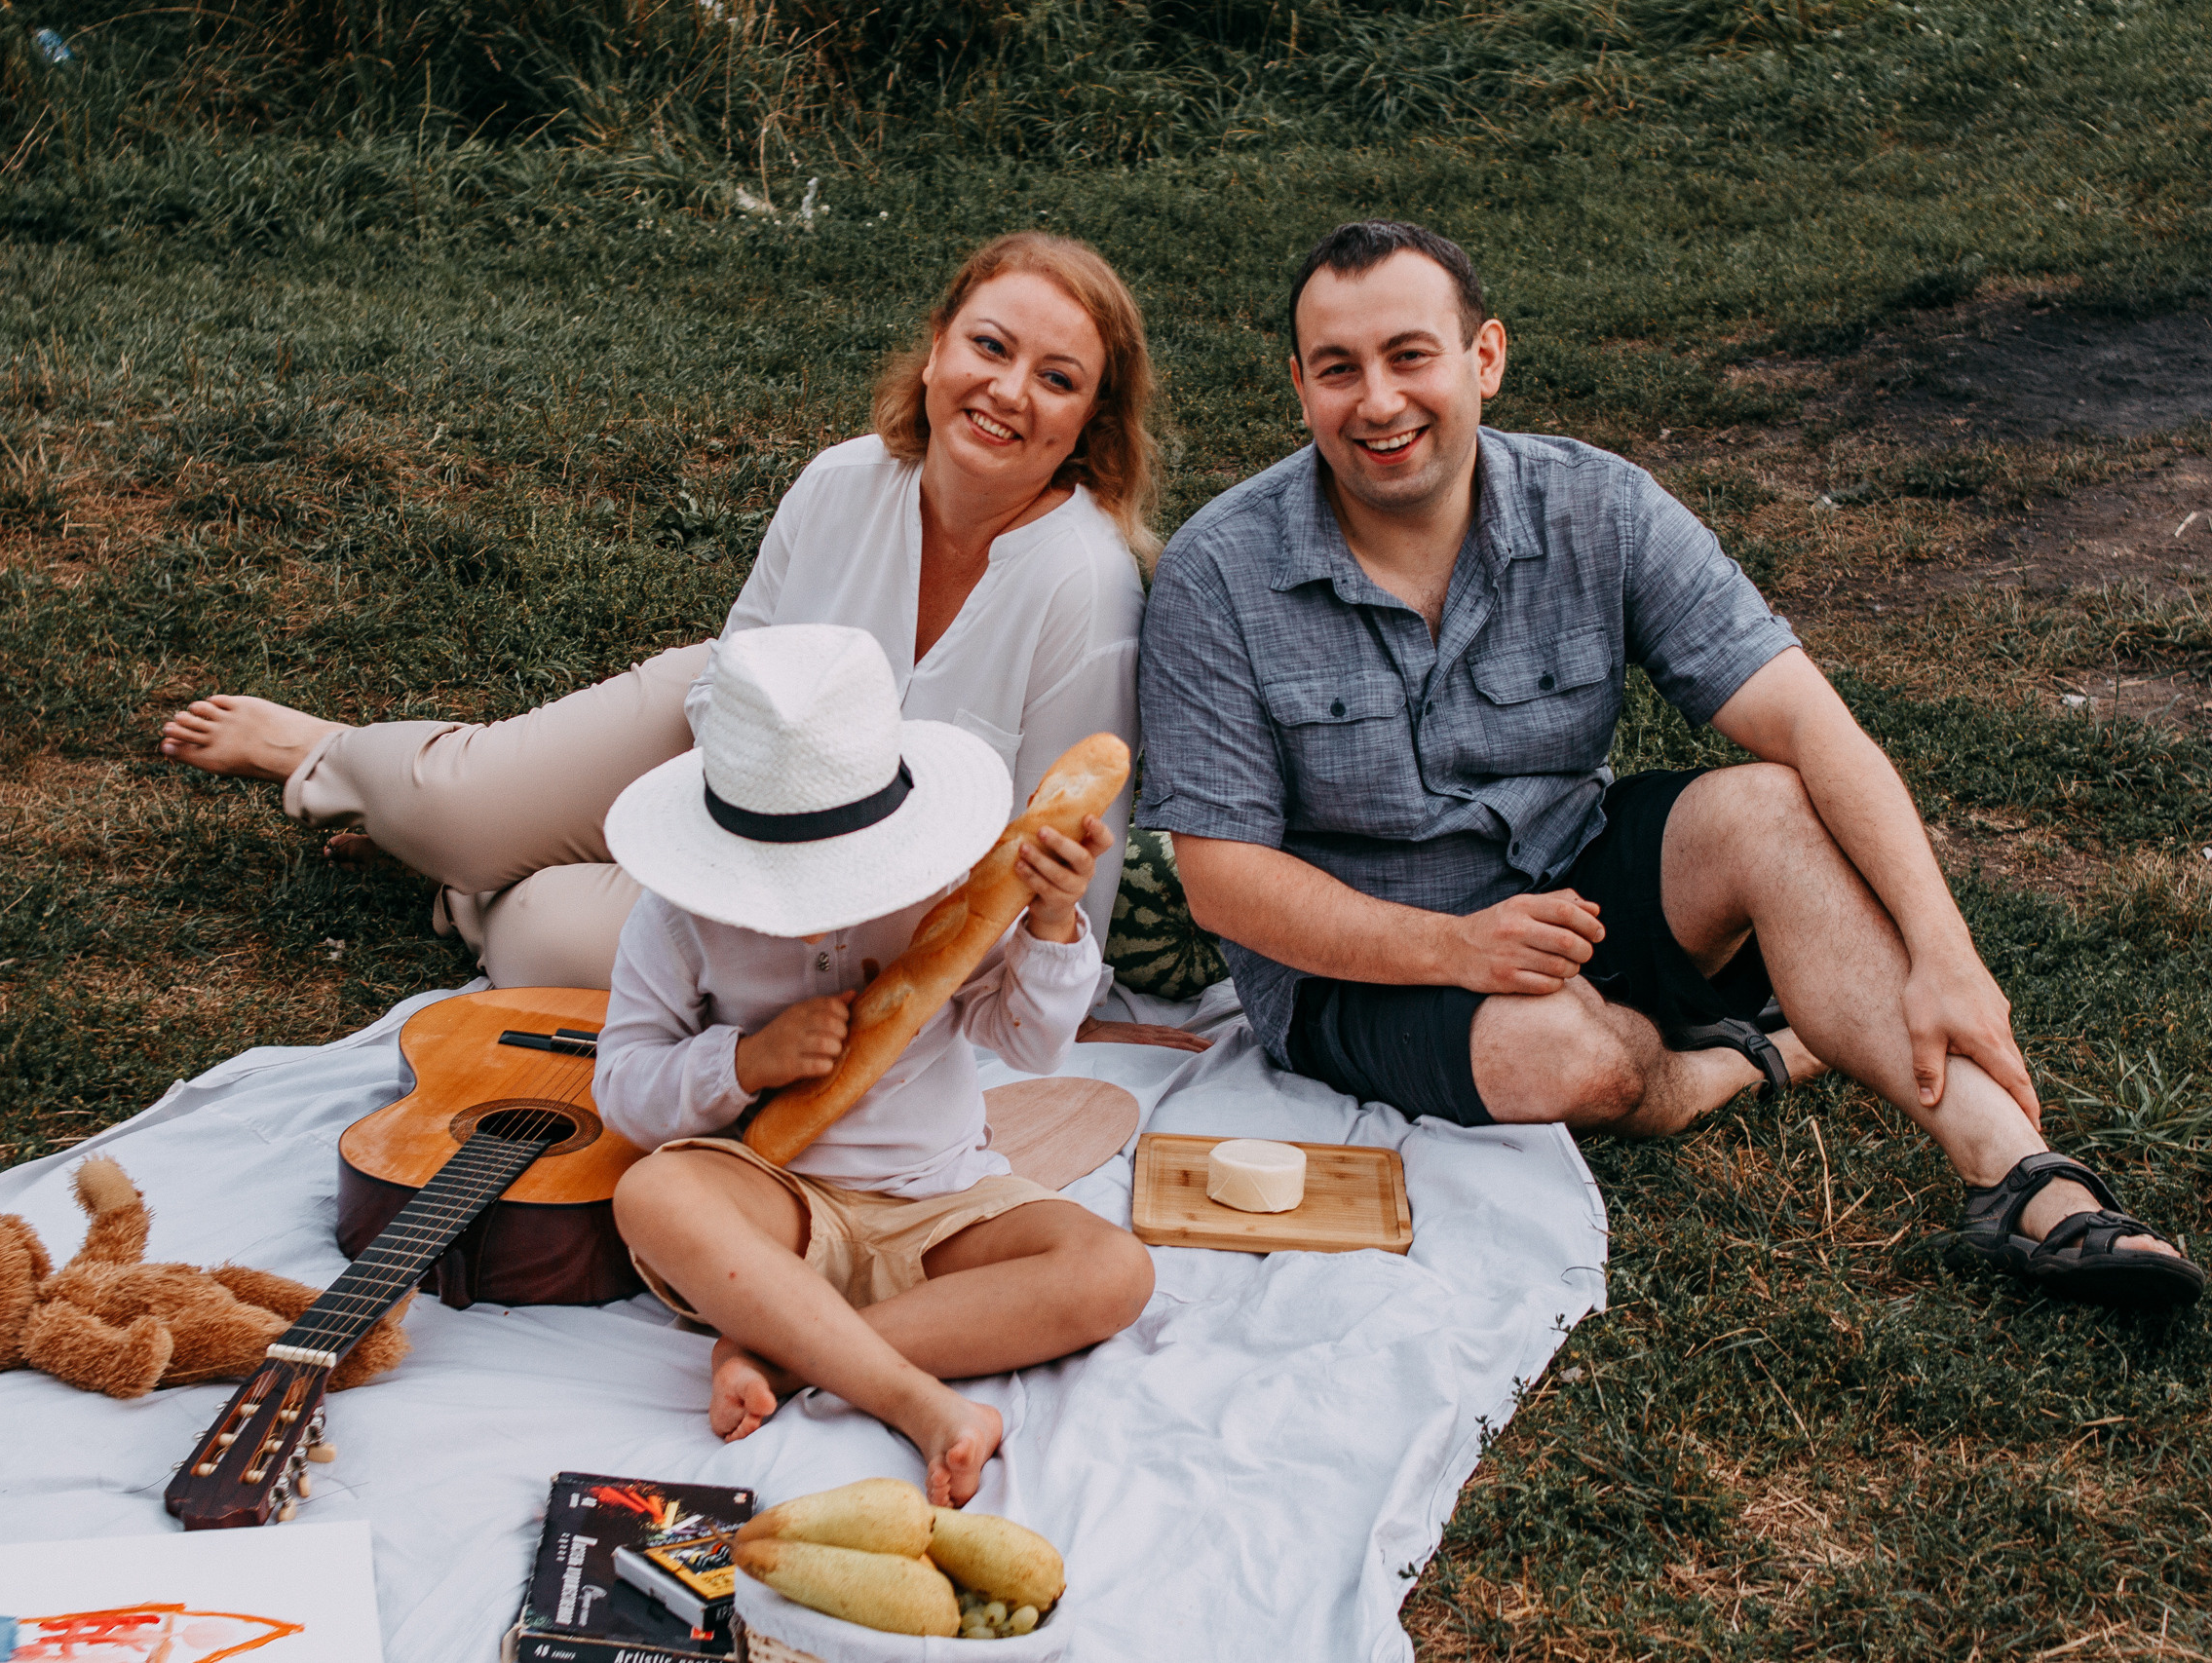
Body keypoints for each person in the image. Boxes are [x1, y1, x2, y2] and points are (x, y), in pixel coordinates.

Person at [1137, 219, 2203, 1310]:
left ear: (1484, 358)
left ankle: (2027, 1179)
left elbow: (1811, 725)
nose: (1377, 402)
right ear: (1300, 386)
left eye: (1410, 356)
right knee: (1571, 1062)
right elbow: (1222, 877)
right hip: (1361, 967)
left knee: (1772, 807)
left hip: (1572, 883)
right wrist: (1453, 948)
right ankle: (1745, 1057)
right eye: (1338, 370)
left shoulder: (1599, 507)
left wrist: (1944, 950)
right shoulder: (1219, 573)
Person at [158, 233, 1198, 1055]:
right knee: (446, 804)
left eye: (1057, 378)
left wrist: (837, 916)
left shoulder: (1086, 581)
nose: (1009, 392)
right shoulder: (843, 479)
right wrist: (719, 819)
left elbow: (1048, 849)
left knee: (535, 937)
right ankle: (329, 755)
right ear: (936, 348)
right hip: (720, 724)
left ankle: (467, 882)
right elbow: (737, 665)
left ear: (1091, 420)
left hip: (873, 896)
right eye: (990, 346)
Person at [594, 624, 1157, 1503]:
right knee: (652, 1193)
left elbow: (1034, 1042)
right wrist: (745, 1062)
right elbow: (624, 1086)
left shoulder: (941, 882)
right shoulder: (679, 915)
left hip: (943, 1200)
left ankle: (784, 1352)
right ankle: (916, 1399)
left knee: (1115, 1270)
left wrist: (1049, 922)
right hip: (781, 1203)